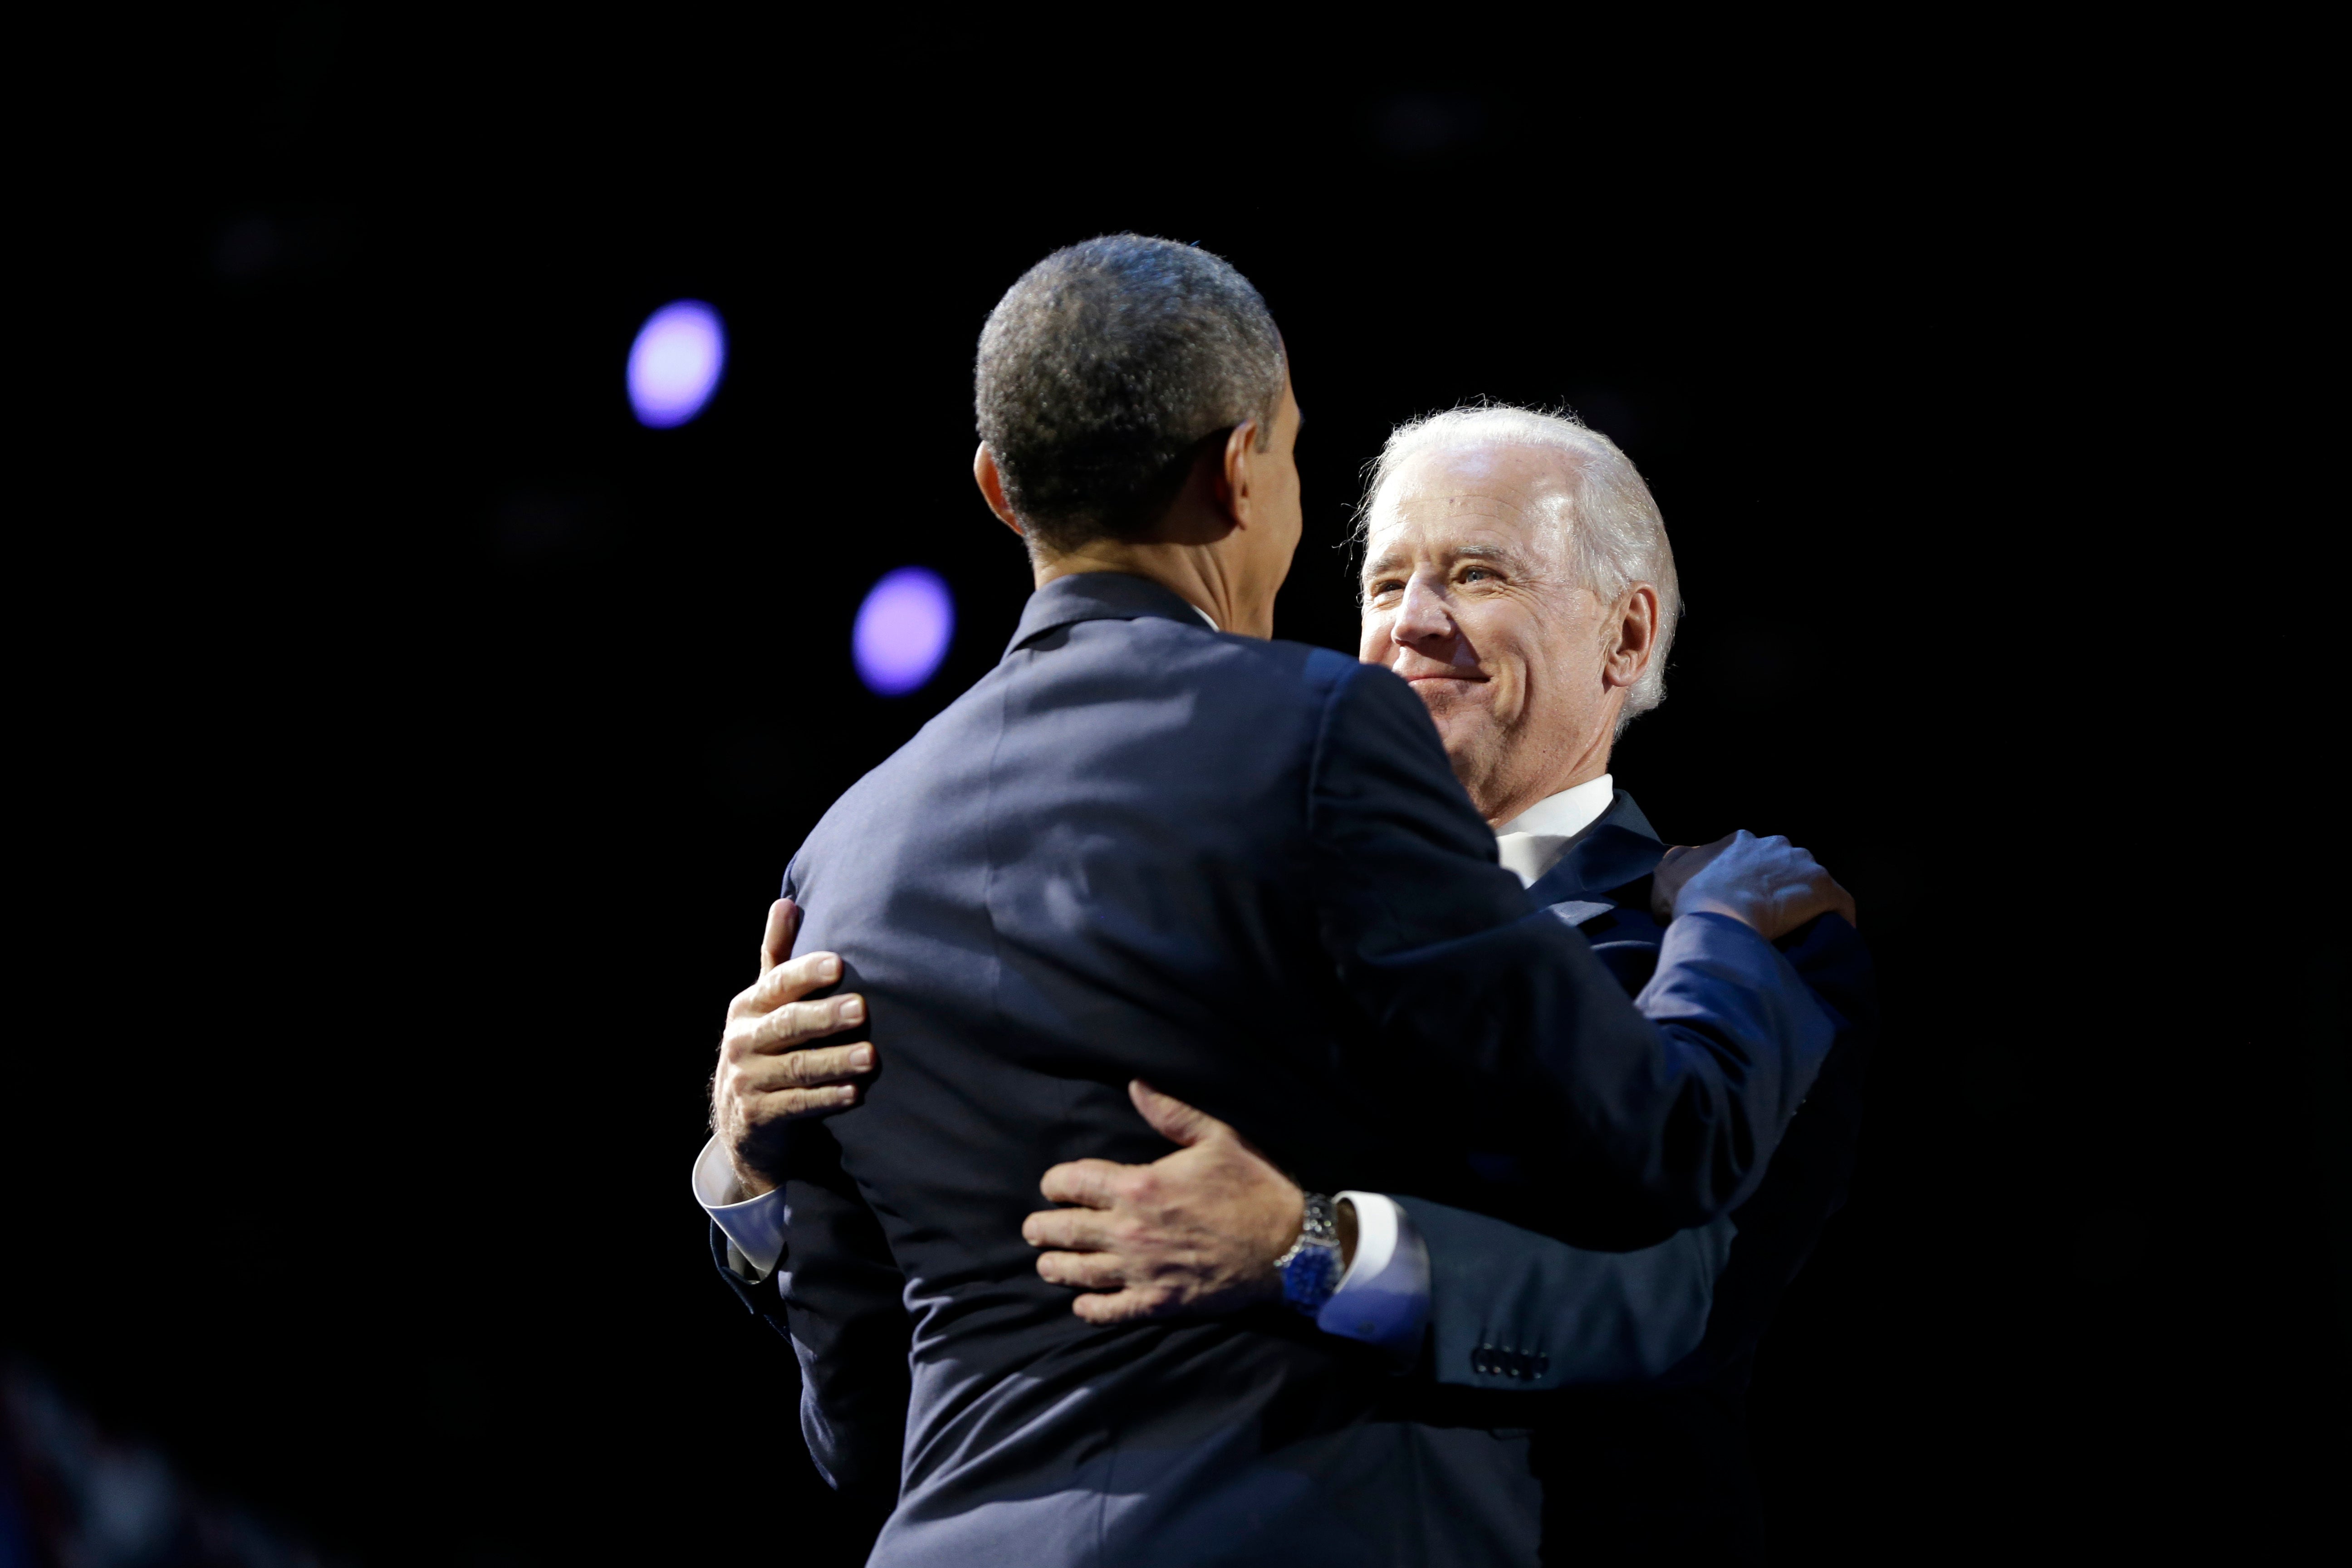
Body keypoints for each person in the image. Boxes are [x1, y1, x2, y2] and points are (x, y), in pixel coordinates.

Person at [696, 235, 1847, 1566]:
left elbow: (865, 1430)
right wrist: (1724, 936)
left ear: (999, 491)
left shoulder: (843, 854)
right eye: (1383, 572)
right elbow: (1668, 1150)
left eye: (1475, 574)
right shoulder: (1316, 745)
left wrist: (744, 1175)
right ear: (1243, 469)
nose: (1412, 621)